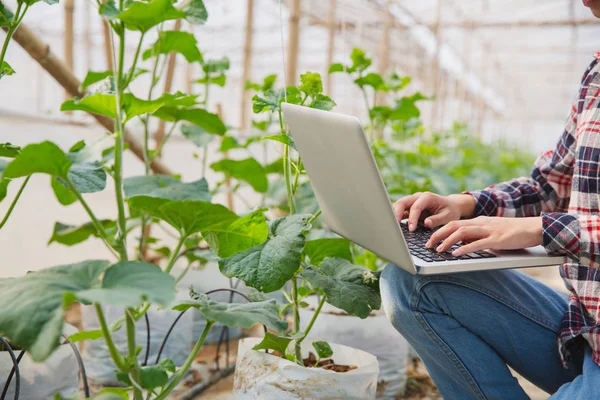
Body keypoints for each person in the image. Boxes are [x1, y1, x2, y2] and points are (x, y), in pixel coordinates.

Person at [380, 1, 600, 399]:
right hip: (587, 331)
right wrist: (465, 204)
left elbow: (547, 219)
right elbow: (550, 185)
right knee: (410, 285)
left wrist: (538, 229)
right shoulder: (597, 73)